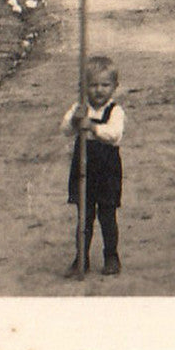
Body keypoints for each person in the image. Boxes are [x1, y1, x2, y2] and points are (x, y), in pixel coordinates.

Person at [62, 56, 125, 276]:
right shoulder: (80, 108)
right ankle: (81, 258)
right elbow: (65, 130)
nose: (99, 90)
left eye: (105, 85)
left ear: (114, 87)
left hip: (106, 169)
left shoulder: (115, 111)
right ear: (84, 87)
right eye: (93, 85)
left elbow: (114, 135)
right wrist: (74, 121)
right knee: (84, 216)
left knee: (107, 215)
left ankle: (111, 256)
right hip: (83, 168)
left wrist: (94, 128)